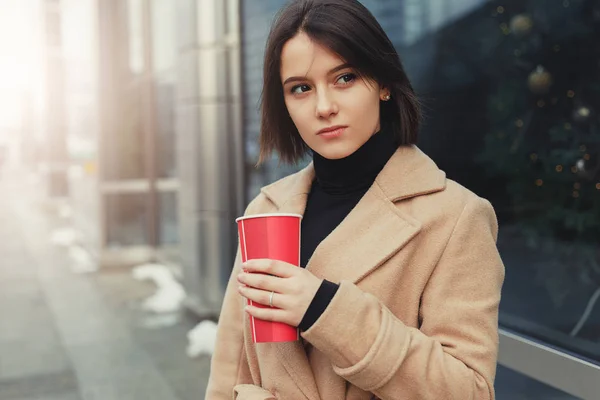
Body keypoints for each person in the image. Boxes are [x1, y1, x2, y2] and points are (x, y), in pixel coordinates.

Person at [206, 0, 505, 399]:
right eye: (301, 88)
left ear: (383, 83)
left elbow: (468, 390)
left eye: (344, 78)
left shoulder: (455, 216)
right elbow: (230, 367)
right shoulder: (268, 208)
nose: (324, 107)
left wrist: (324, 309)